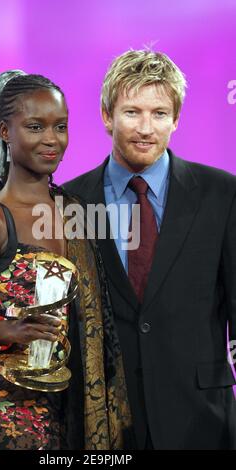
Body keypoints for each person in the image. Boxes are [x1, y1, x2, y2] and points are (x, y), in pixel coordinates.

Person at [0, 71, 132, 450]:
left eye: (60, 126)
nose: (51, 139)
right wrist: (0, 331)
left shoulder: (77, 210)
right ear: (5, 132)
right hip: (9, 416)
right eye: (35, 126)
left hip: (78, 406)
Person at [63, 49, 236, 450]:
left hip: (202, 418)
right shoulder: (69, 201)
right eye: (132, 112)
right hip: (102, 424)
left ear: (176, 119)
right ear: (107, 116)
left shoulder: (223, 193)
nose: (146, 128)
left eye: (159, 113)